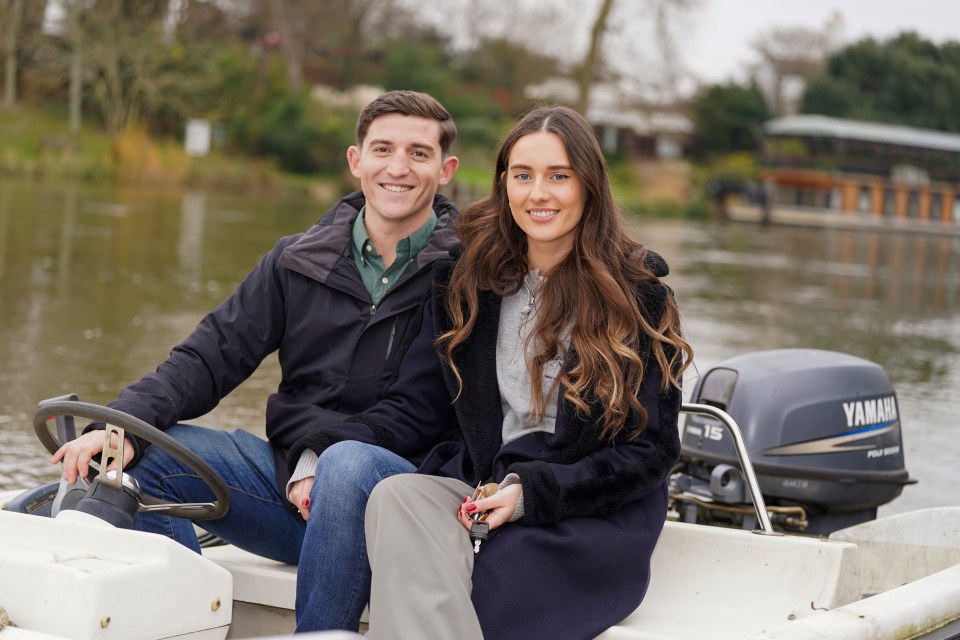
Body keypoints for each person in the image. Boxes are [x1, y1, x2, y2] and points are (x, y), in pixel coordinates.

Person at [49, 90, 460, 631]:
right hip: (294, 492)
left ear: (446, 169)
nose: (398, 168)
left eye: (419, 153)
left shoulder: (468, 273)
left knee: (349, 465)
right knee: (143, 458)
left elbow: (422, 409)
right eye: (382, 149)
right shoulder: (297, 259)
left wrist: (320, 459)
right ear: (356, 160)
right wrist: (124, 425)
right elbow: (209, 355)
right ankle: (187, 622)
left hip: (399, 503)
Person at [286, 104, 693, 638]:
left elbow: (652, 452)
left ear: (588, 186)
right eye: (522, 176)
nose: (537, 194)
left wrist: (532, 494)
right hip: (481, 488)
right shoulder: (468, 282)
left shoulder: (638, 296)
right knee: (396, 498)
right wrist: (321, 448)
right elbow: (416, 406)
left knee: (490, 583)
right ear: (504, 185)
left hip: (581, 508)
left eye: (558, 177)